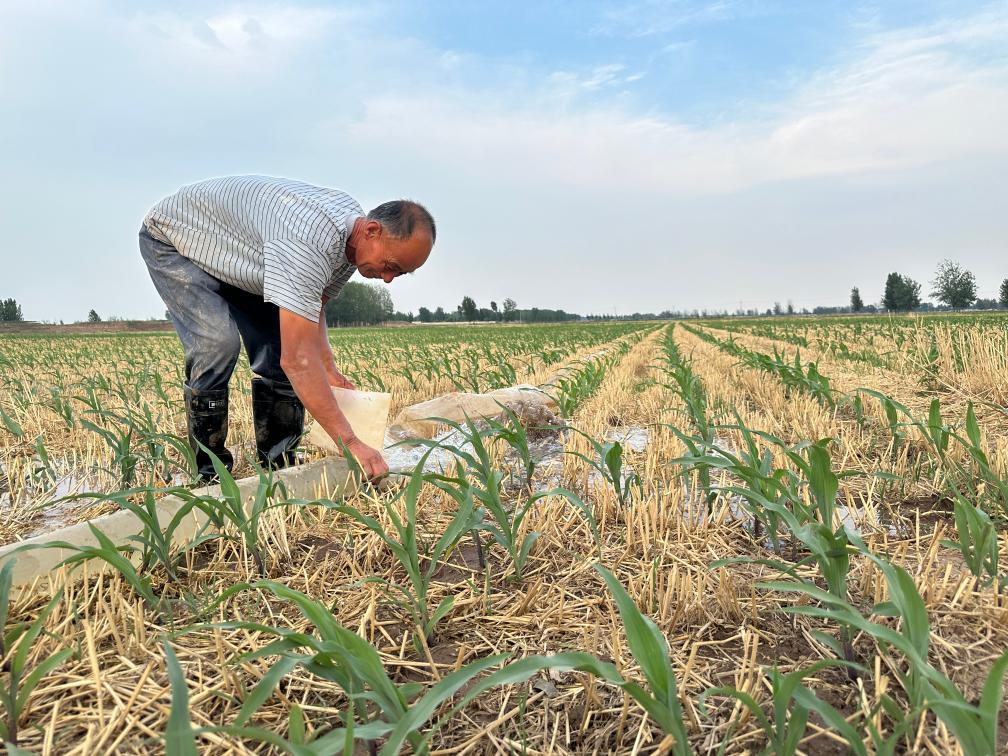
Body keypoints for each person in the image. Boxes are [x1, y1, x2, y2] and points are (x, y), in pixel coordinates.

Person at [139, 175, 434, 482]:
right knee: (217, 344)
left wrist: (329, 367)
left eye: (399, 274)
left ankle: (278, 467)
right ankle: (210, 475)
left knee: (279, 345)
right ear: (372, 231)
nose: (388, 278)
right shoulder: (307, 245)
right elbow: (299, 361)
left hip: (240, 254)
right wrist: (350, 443)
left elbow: (313, 303)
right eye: (391, 266)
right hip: (177, 239)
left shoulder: (351, 241)